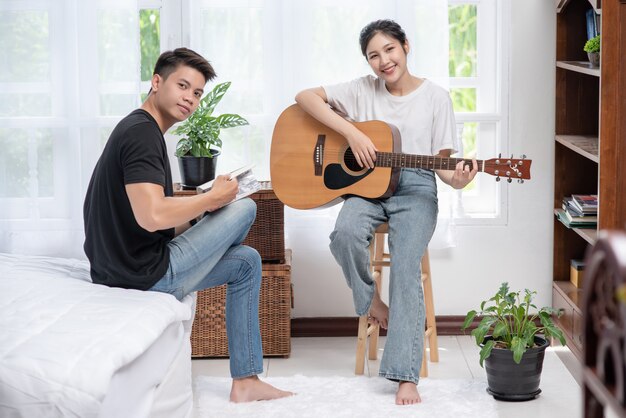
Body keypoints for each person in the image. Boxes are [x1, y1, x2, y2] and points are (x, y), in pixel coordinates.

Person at [83, 47, 292, 403]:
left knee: (247, 261)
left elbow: (152, 223)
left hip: (126, 266)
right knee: (244, 211)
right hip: (142, 274)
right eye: (183, 86)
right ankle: (245, 379)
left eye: (196, 93)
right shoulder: (141, 134)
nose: (190, 99)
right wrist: (215, 200)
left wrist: (201, 218)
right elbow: (152, 216)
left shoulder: (141, 129)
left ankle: (246, 380)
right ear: (156, 81)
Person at [295, 20, 478, 405]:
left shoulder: (436, 98)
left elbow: (444, 169)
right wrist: (350, 132)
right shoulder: (362, 88)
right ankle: (370, 303)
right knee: (344, 234)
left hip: (416, 187)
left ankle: (404, 376)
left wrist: (460, 180)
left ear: (406, 46)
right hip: (368, 186)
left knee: (407, 263)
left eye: (389, 50)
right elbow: (304, 98)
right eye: (374, 55)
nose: (383, 61)